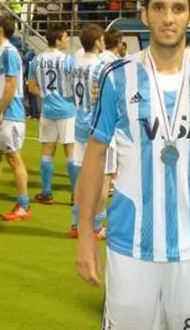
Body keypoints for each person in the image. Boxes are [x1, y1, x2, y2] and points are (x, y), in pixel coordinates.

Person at [75, 0, 190, 329]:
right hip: (130, 243)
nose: (168, 18)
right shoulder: (116, 77)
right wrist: (84, 236)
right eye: (159, 8)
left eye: (177, 9)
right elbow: (94, 157)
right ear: (145, 16)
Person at [0, 14, 32, 222]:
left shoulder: (10, 52)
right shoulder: (0, 51)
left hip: (10, 115)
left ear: (1, 30)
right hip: (1, 114)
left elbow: (11, 86)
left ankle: (23, 205)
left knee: (13, 158)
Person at [68, 23, 111, 239]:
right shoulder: (101, 67)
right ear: (96, 42)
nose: (104, 42)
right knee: (104, 178)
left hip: (79, 125)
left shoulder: (75, 65)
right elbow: (107, 99)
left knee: (81, 177)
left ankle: (75, 224)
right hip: (98, 128)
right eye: (102, 38)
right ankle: (96, 226)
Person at [27, 23, 77, 205]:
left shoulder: (36, 60)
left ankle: (46, 193)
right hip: (67, 111)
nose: (67, 40)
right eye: (65, 37)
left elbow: (31, 87)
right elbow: (76, 85)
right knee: (71, 152)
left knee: (47, 152)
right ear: (57, 39)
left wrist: (47, 95)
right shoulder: (68, 61)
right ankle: (75, 194)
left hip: (48, 111)